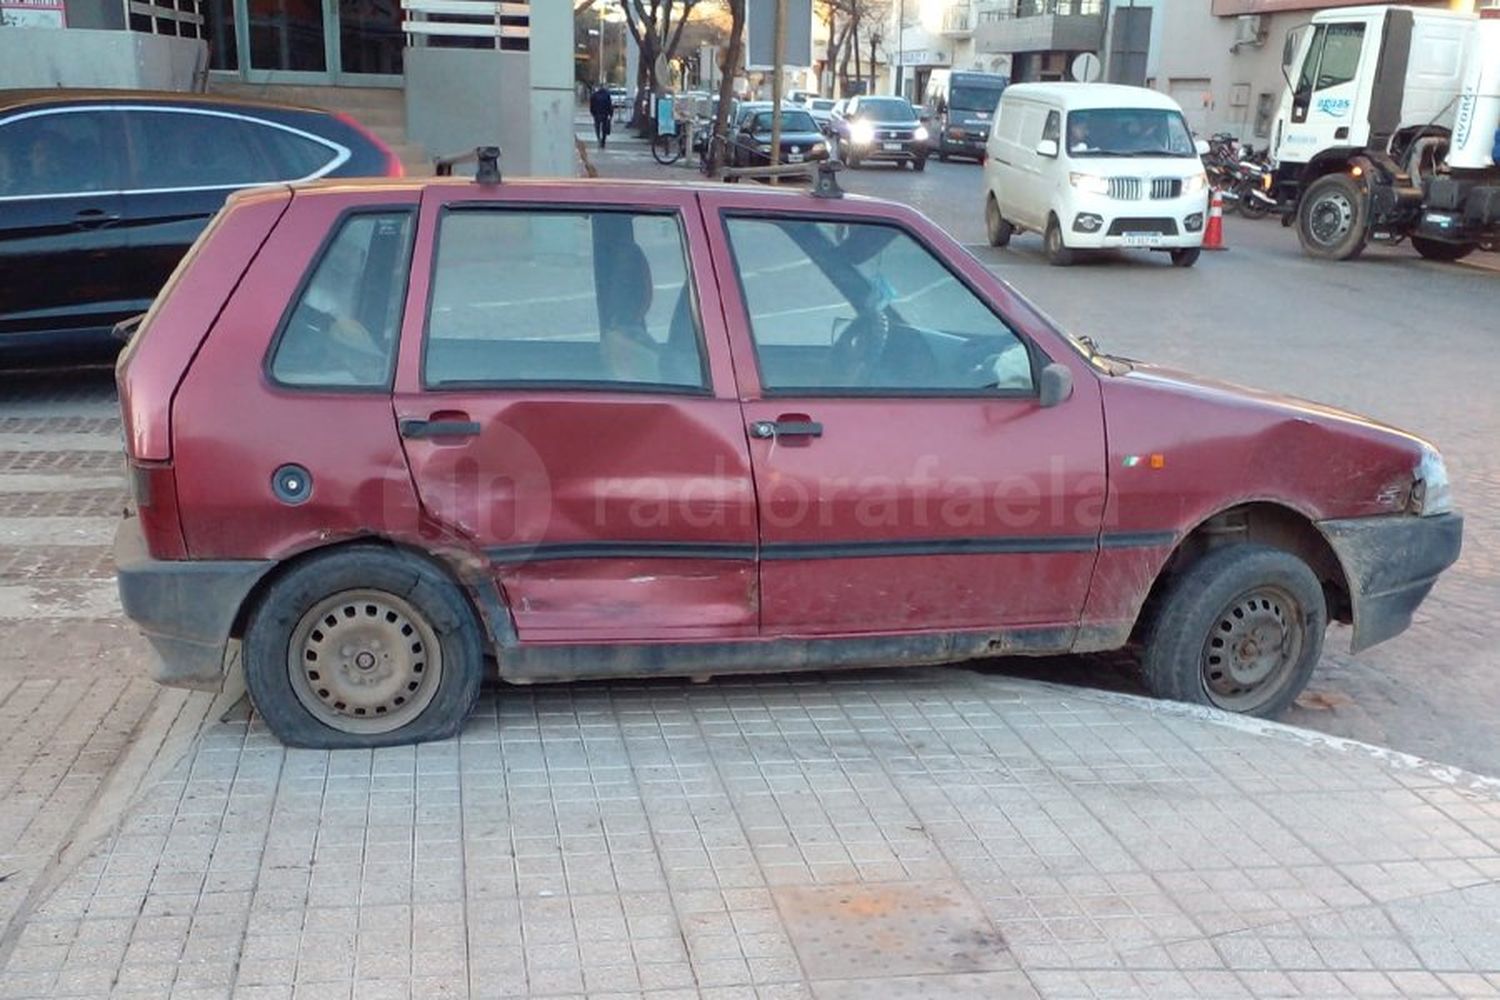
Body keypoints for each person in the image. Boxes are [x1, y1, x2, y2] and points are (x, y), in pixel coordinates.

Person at [590, 84, 614, 149]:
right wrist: (611, 114)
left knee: (597, 127)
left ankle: (598, 138)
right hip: (605, 114)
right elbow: (610, 105)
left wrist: (592, 113)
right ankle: (603, 141)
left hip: (597, 114)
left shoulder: (594, 95)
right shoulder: (607, 95)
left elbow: (591, 105)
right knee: (604, 129)